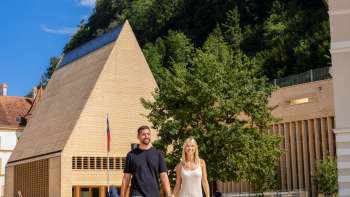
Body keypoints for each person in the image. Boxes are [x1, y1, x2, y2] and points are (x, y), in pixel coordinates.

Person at [120, 125, 172, 197]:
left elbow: (164, 176)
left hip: (154, 194)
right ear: (138, 137)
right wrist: (122, 195)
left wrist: (169, 195)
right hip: (136, 194)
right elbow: (126, 178)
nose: (146, 136)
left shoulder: (158, 154)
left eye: (148, 134)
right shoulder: (131, 155)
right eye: (143, 134)